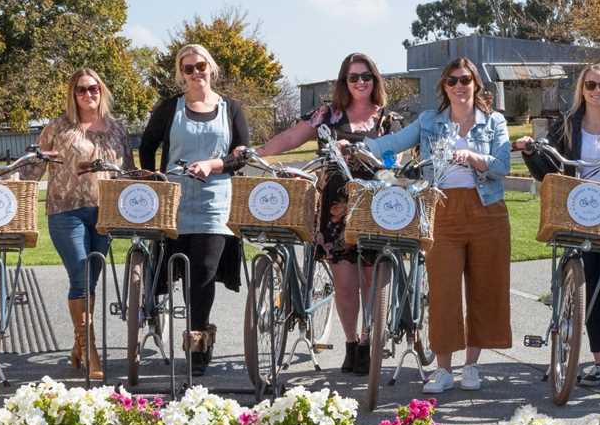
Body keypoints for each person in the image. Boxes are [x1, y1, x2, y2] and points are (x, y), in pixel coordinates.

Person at [364, 57, 512, 394]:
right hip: (441, 209)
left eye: (465, 80)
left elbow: (503, 164)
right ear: (444, 87)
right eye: (452, 81)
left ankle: (471, 366)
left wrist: (475, 158)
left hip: (487, 209)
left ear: (476, 83)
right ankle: (443, 369)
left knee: (486, 289)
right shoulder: (430, 121)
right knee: (443, 291)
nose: (459, 87)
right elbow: (393, 142)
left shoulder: (494, 122)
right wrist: (359, 145)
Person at [254, 53, 401, 376]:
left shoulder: (388, 121)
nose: (360, 82)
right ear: (343, 82)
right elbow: (291, 137)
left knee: (372, 282)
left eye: (366, 76)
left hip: (376, 208)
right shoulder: (328, 115)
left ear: (375, 81)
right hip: (335, 212)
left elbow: (395, 162)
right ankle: (351, 342)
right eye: (353, 77)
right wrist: (257, 153)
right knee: (345, 284)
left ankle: (368, 339)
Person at [515, 64, 600, 393]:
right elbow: (548, 166)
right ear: (582, 88)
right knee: (586, 294)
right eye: (591, 85)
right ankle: (599, 363)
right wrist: (532, 149)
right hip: (579, 215)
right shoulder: (567, 125)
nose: (597, 91)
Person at [139, 44, 250, 376]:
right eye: (187, 68)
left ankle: (198, 341)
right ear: (181, 73)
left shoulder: (231, 108)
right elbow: (147, 146)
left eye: (200, 66)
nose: (195, 73)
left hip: (216, 201)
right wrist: (155, 179)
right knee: (179, 272)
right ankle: (190, 328)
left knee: (203, 272)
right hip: (175, 201)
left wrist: (215, 164)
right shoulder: (169, 108)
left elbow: (242, 154)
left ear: (210, 68)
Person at [23, 69, 135, 380]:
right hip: (65, 211)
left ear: (103, 91)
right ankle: (90, 348)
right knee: (81, 275)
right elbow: (34, 165)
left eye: (94, 88)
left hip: (105, 212)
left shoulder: (116, 129)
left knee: (90, 281)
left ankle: (78, 344)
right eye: (82, 90)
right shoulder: (58, 128)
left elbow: (127, 170)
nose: (89, 94)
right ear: (73, 94)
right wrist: (8, 185)